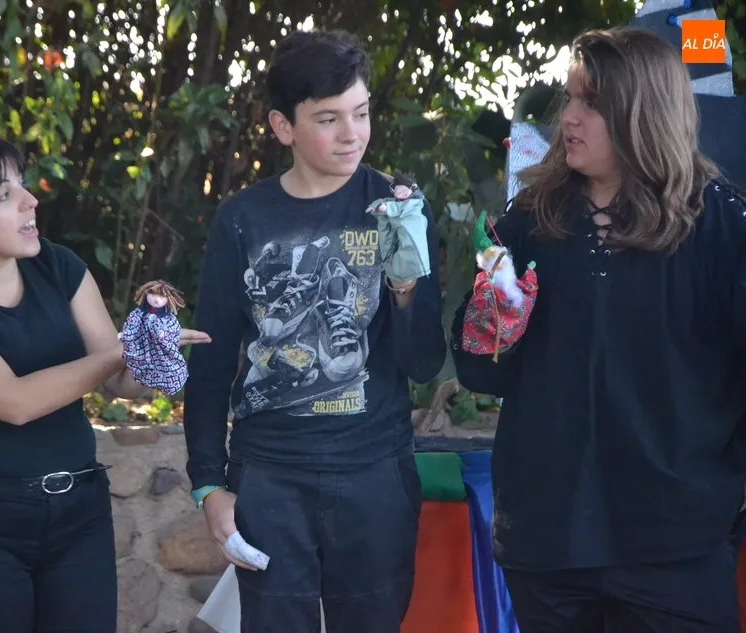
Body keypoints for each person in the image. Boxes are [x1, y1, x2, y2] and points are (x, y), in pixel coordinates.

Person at [450, 26, 746, 633]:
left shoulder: (721, 223)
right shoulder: (529, 218)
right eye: (570, 98)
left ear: (643, 113)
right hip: (548, 541)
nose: (569, 118)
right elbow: (480, 369)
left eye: (592, 103)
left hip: (678, 547)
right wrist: (491, 322)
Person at [182, 29, 447, 633]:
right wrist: (208, 484)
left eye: (361, 113)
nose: (352, 134)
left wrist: (406, 286)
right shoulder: (243, 218)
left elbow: (424, 363)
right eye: (329, 119)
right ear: (284, 127)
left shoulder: (397, 207)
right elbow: (212, 361)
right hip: (270, 476)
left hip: (376, 473)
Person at [0, 133, 210, 633]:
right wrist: (123, 350)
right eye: (4, 195)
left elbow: (121, 384)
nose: (30, 201)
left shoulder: (59, 266)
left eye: (22, 184)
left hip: (79, 511)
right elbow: (14, 402)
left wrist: (153, 344)